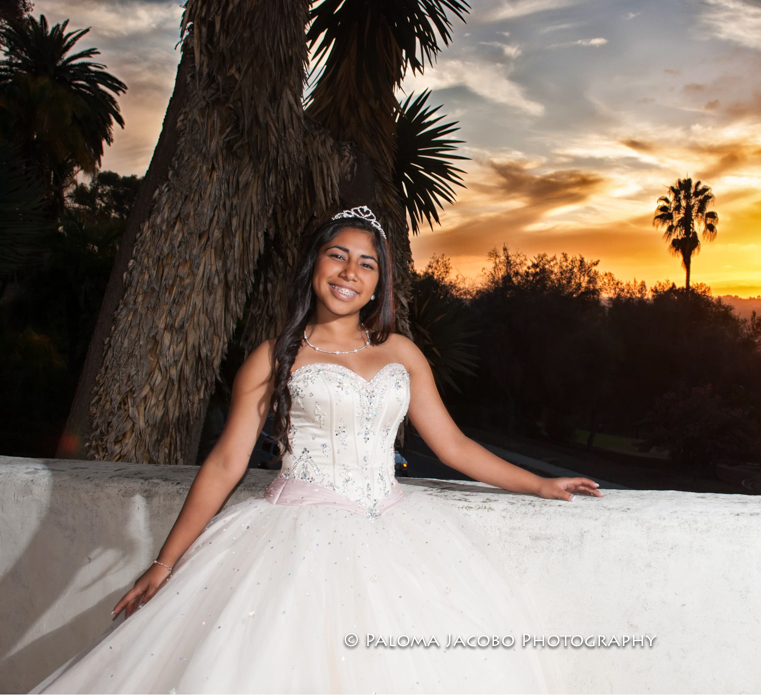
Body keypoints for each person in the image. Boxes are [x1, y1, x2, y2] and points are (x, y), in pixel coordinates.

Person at [32, 205, 603, 694]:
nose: (349, 271)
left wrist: (540, 482)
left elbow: (452, 445)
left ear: (379, 282)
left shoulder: (401, 352)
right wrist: (163, 563)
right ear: (315, 267)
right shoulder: (273, 356)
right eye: (337, 255)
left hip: (398, 535)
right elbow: (227, 462)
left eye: (366, 263)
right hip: (293, 540)